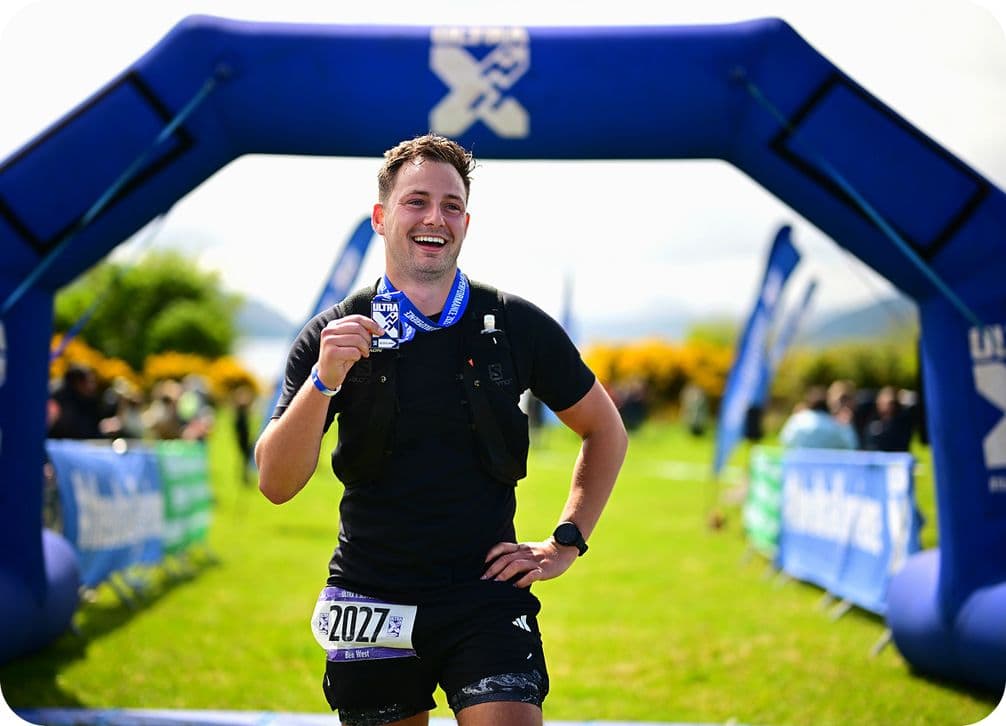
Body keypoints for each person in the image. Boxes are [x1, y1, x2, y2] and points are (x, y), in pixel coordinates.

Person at [255, 134, 628, 726]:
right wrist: (324, 382)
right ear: (381, 217)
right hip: (370, 594)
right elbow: (275, 482)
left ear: (466, 222)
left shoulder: (515, 323)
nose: (435, 218)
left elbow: (605, 431)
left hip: (484, 592)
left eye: (451, 205)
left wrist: (567, 540)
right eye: (416, 201)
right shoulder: (332, 333)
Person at [779, 385, 858, 450]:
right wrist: (847, 426)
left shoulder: (797, 419)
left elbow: (784, 440)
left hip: (797, 467)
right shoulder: (835, 426)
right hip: (825, 468)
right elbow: (850, 445)